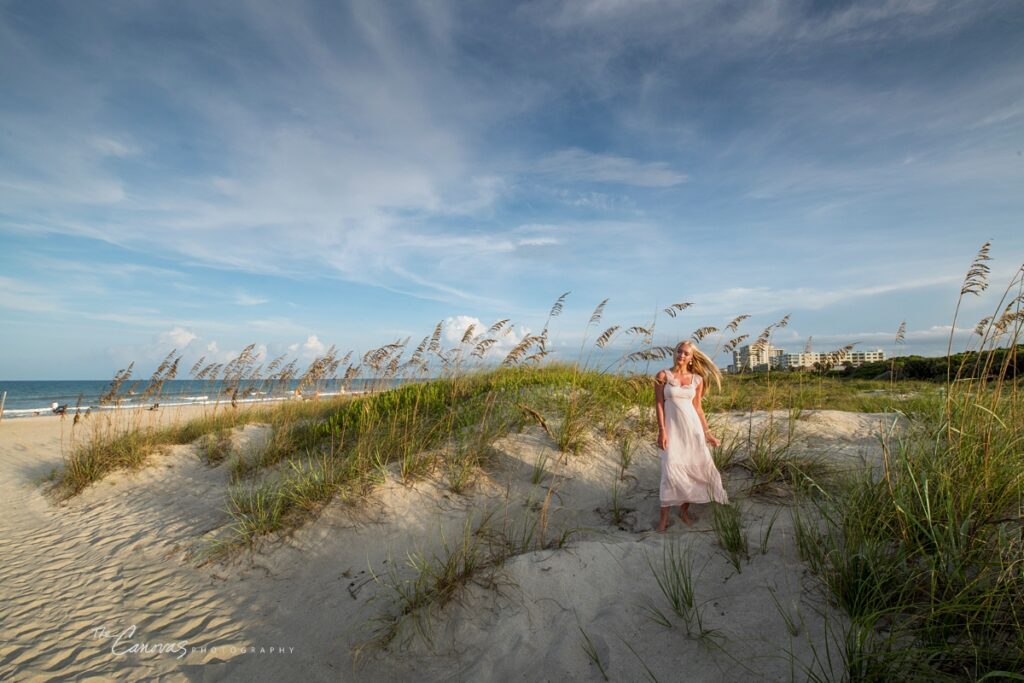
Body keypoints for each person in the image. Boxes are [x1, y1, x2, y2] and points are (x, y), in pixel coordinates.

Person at [654, 341, 729, 532]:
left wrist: (708, 433)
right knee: (669, 471)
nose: (681, 355)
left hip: (692, 431)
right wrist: (662, 430)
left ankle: (684, 512)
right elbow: (659, 404)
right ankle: (663, 520)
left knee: (691, 471)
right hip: (672, 432)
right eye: (679, 351)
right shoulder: (663, 376)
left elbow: (698, 409)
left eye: (686, 353)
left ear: (691, 358)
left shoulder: (697, 379)